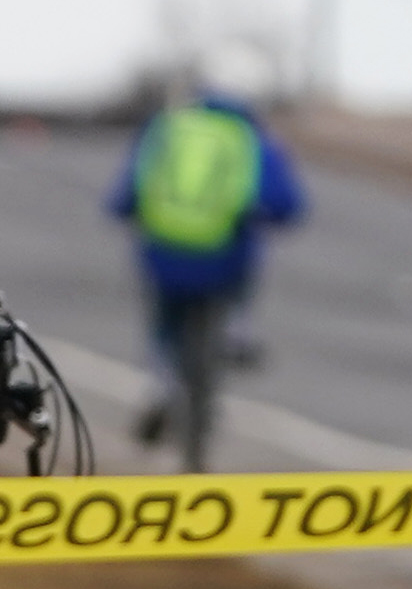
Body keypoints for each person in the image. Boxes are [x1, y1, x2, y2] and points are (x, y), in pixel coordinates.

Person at [101, 75, 304, 446]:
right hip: (223, 261)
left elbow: (127, 193)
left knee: (165, 324)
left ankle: (161, 384)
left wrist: (129, 212)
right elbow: (286, 205)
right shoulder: (251, 139)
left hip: (163, 255)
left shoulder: (169, 128)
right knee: (244, 266)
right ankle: (237, 329)